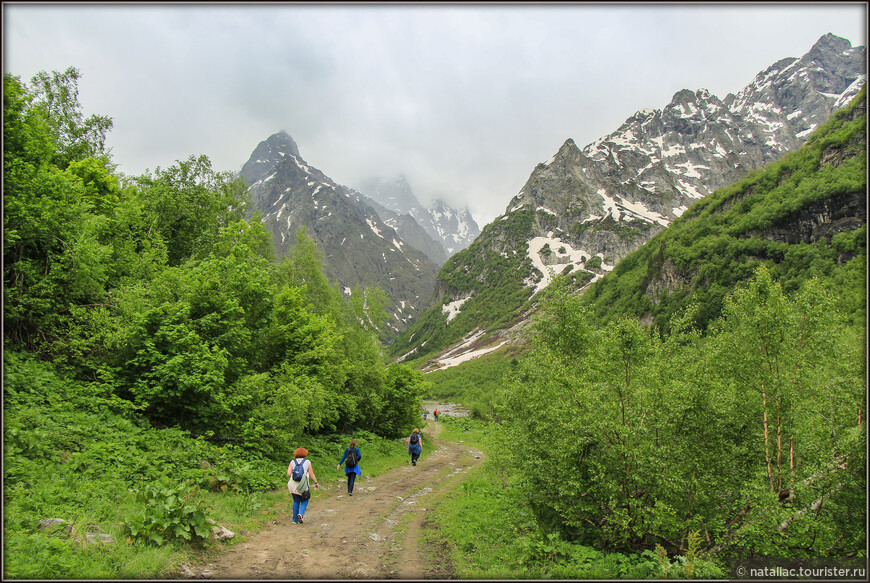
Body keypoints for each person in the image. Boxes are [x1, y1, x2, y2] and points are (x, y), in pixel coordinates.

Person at [287, 447, 320, 524]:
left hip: (293, 484)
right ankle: (301, 514)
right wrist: (316, 482)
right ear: (305, 454)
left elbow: (288, 473)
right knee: (305, 499)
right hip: (303, 484)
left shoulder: (292, 462)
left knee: (296, 501)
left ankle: (294, 520)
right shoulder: (307, 462)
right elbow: (311, 474)